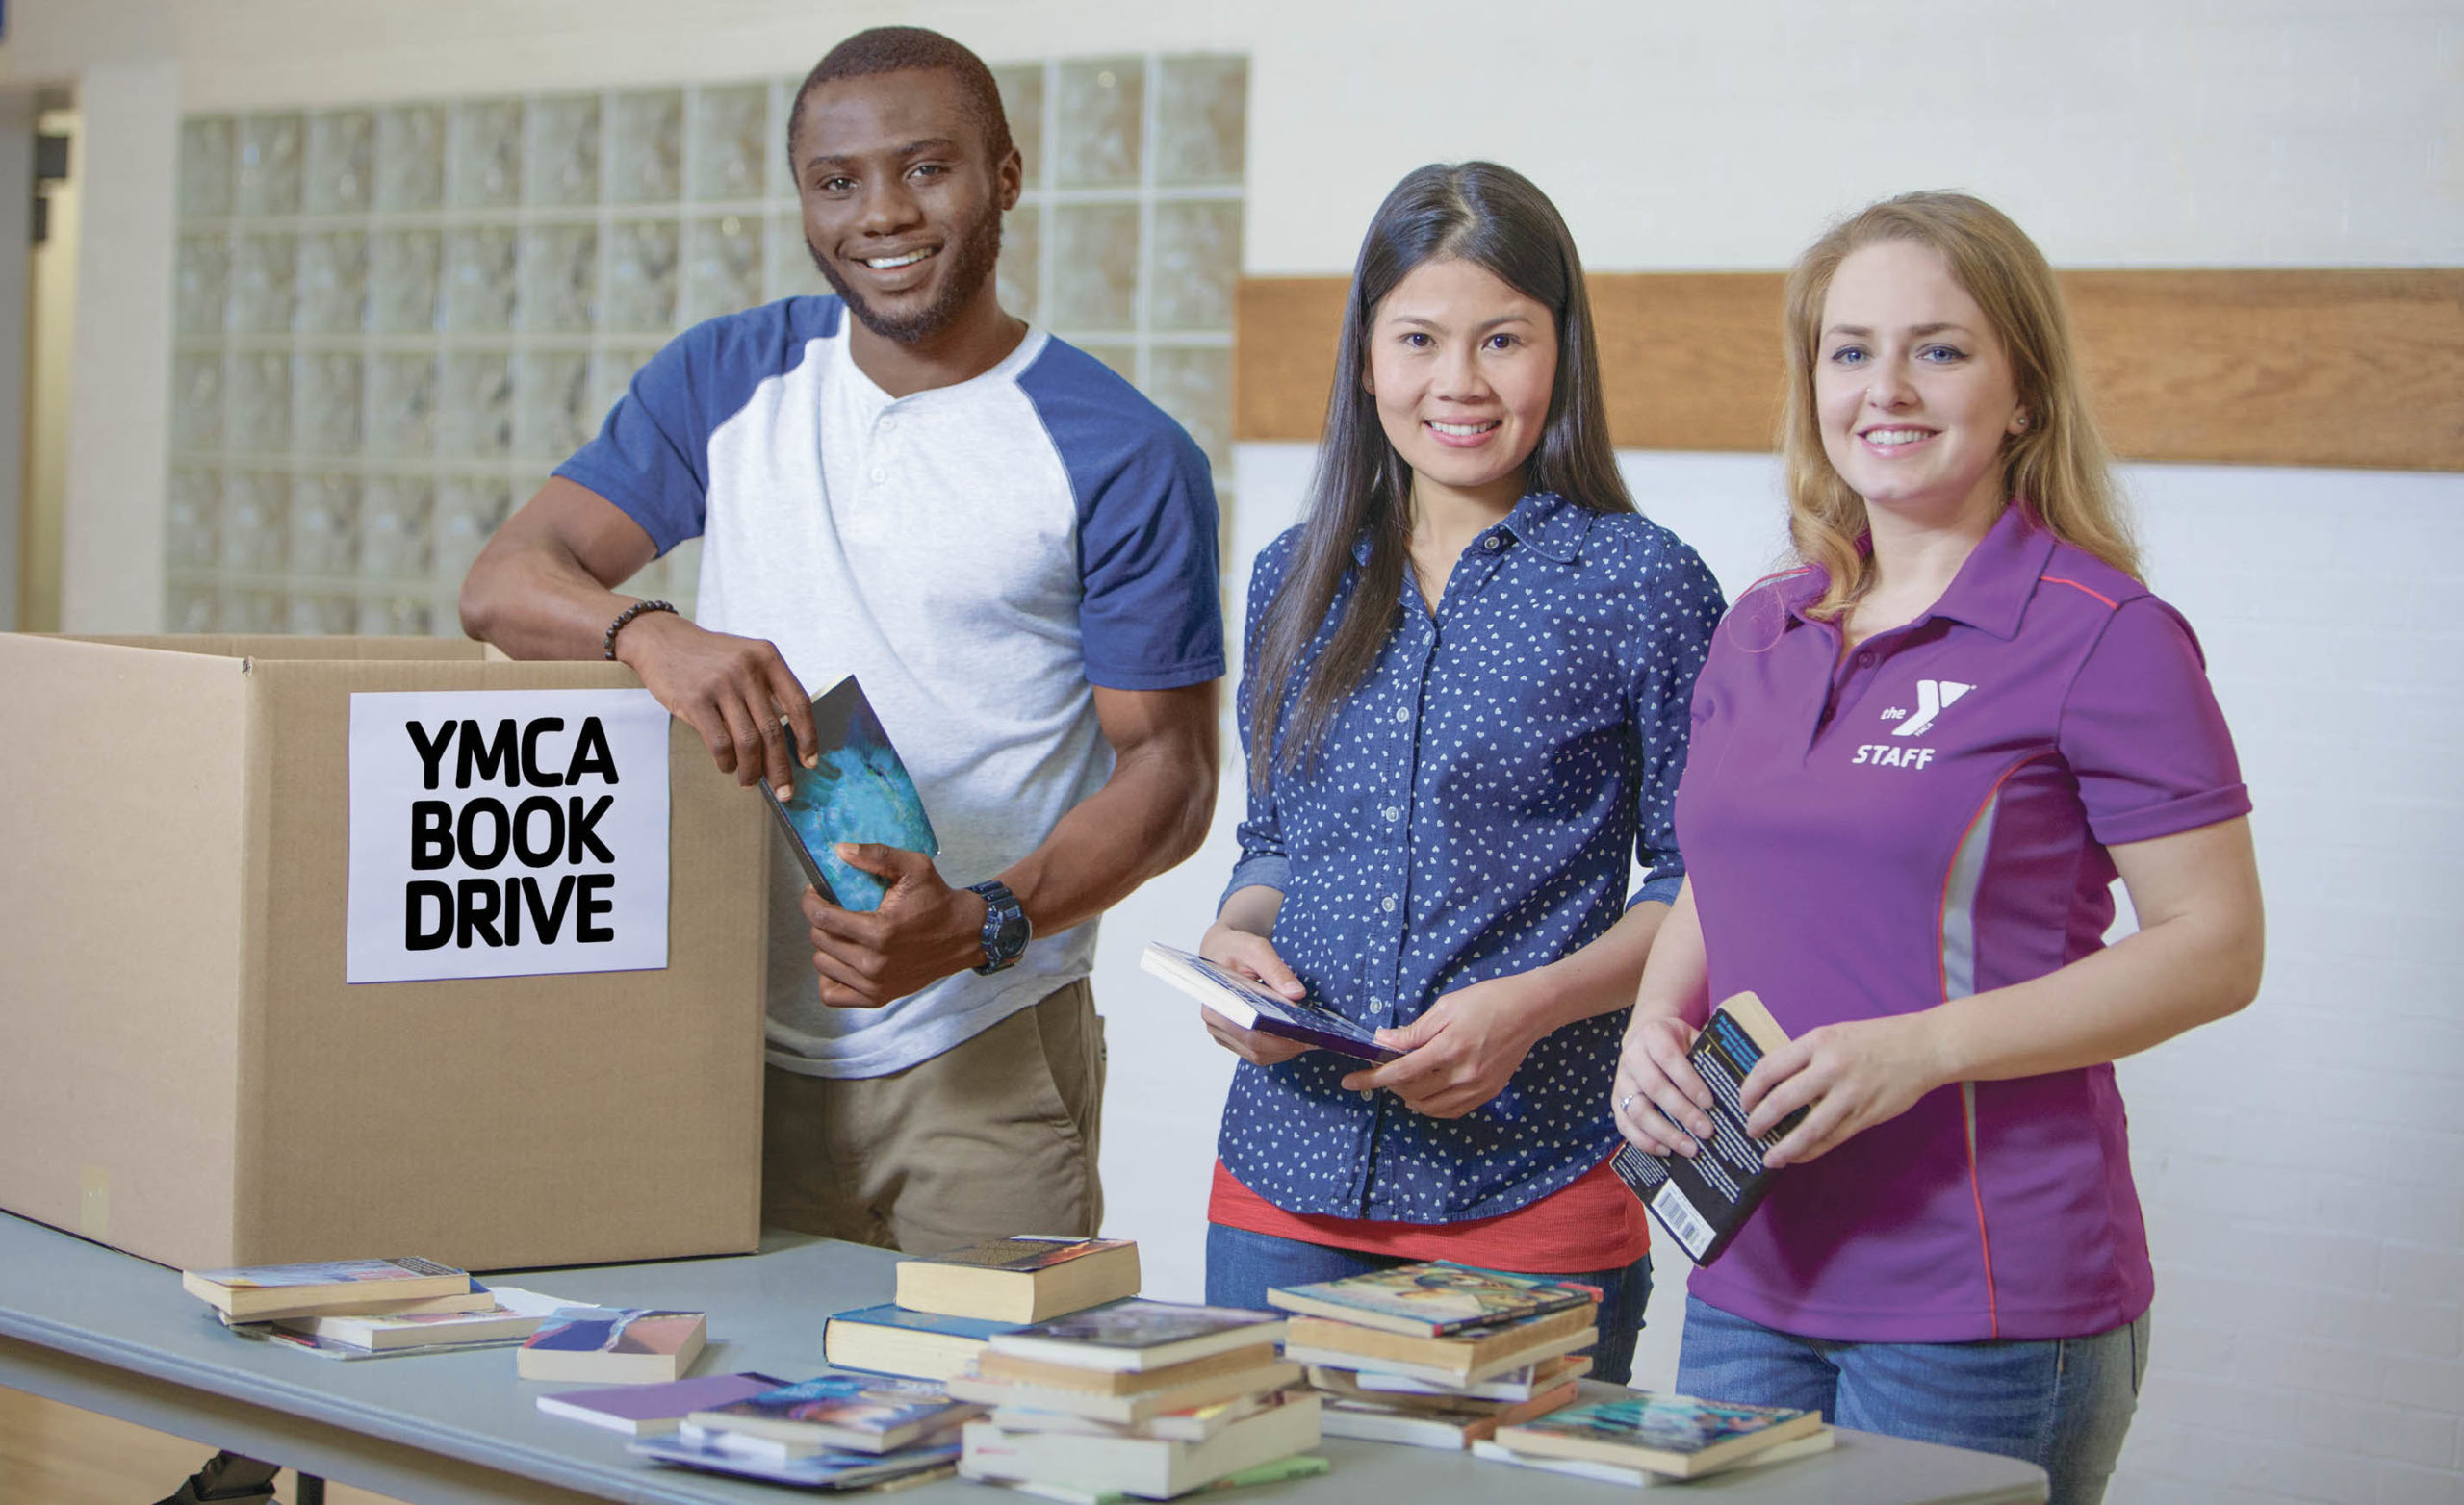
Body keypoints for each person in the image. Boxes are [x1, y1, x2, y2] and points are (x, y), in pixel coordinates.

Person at [457, 26, 1223, 1254]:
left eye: (927, 169)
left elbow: (1173, 779)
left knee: (991, 1429)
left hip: (982, 1047)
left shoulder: (1121, 451)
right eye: (837, 181)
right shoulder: (726, 379)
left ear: (1006, 178)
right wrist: (649, 631)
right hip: (727, 1046)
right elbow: (505, 579)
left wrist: (980, 921)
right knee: (726, 1427)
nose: (882, 213)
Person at [1611, 191, 2264, 1503]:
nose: (1886, 388)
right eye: (1850, 350)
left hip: (1983, 1298)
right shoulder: (1763, 625)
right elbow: (1724, 875)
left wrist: (1922, 1050)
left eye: (1940, 348)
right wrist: (1649, 1016)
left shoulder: (2104, 633)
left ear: (2023, 390)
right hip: (1750, 1267)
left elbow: (2216, 950)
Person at [1196, 162, 1727, 1385]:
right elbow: (1272, 841)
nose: (1459, 384)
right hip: (1283, 1175)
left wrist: (1529, 1007)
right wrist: (1235, 948)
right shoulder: (1294, 574)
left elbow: (1706, 882)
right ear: (1366, 354)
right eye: (1419, 338)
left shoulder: (1642, 583)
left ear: (1562, 351)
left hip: (1534, 1178)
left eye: (1502, 340)